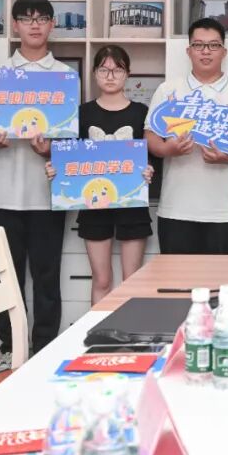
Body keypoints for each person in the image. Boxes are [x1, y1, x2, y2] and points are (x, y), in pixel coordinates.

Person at [0, 0, 76, 376]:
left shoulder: (65, 76)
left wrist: (50, 149)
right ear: (15, 25)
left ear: (52, 25)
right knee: (5, 277)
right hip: (2, 191)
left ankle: (44, 347)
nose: (35, 24)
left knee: (46, 276)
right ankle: (10, 347)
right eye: (26, 18)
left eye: (42, 18)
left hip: (47, 193)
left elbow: (71, 141)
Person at [44, 45, 156, 304]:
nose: (110, 76)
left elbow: (151, 154)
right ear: (94, 73)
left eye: (117, 70)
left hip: (132, 203)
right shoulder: (81, 113)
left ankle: (131, 330)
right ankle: (100, 331)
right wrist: (55, 170)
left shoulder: (141, 113)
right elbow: (67, 156)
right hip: (93, 205)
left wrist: (149, 169)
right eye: (104, 70)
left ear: (128, 74)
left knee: (132, 281)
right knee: (102, 280)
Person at [145, 17, 228, 254]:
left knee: (225, 278)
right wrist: (168, 150)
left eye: (213, 45)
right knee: (177, 279)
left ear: (224, 52)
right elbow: (150, 135)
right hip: (176, 210)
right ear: (188, 51)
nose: (205, 51)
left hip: (226, 212)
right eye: (198, 45)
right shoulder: (168, 91)